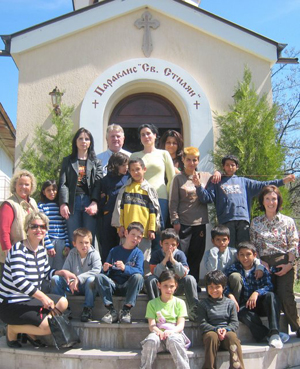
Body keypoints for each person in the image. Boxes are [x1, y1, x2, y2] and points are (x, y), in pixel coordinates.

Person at [0, 211, 75, 348]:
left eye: (42, 226)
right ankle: (13, 329)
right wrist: (43, 298)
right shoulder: (19, 250)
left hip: (29, 299)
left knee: (63, 302)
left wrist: (61, 272)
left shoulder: (41, 250)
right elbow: (19, 281)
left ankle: (29, 331)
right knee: (48, 327)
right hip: (11, 303)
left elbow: (46, 272)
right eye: (34, 226)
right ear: (26, 229)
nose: (38, 230)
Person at [196, 154, 295, 247]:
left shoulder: (244, 182)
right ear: (223, 167)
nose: (230, 167)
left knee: (244, 248)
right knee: (229, 250)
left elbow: (264, 185)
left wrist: (283, 181)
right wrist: (198, 186)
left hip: (243, 221)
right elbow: (206, 198)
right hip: (226, 221)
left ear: (237, 167)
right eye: (227, 165)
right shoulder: (216, 181)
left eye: (232, 165)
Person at [250, 185, 300, 337]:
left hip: (285, 261)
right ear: (262, 201)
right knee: (270, 296)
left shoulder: (288, 221)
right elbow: (253, 246)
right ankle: (274, 331)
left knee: (285, 295)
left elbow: (294, 244)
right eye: (268, 199)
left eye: (274, 199)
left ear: (278, 201)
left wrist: (289, 265)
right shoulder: (256, 222)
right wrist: (260, 263)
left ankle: (297, 327)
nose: (271, 202)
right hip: (264, 263)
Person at [225, 242, 290, 349]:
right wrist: (230, 295)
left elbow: (269, 286)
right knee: (241, 312)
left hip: (260, 303)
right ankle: (266, 335)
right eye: (241, 255)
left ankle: (274, 332)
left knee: (271, 296)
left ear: (254, 255)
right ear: (238, 256)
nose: (245, 258)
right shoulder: (234, 268)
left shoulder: (261, 268)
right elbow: (224, 284)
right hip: (245, 305)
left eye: (248, 254)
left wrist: (257, 293)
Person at [169, 147, 215, 284]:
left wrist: (200, 184)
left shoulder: (205, 177)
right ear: (183, 160)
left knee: (196, 256)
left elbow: (208, 199)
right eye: (188, 159)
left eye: (194, 160)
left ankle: (192, 283)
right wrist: (175, 220)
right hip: (183, 223)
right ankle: (180, 283)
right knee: (182, 255)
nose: (191, 162)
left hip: (199, 223)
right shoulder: (178, 179)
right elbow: (173, 202)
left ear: (198, 161)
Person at [111, 158, 160, 271]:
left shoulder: (149, 189)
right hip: (127, 232)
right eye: (132, 170)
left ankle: (143, 283)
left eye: (138, 169)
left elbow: (153, 211)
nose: (135, 172)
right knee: (126, 256)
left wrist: (152, 229)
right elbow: (120, 209)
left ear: (144, 169)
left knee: (144, 258)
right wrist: (120, 226)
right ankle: (126, 281)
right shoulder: (126, 188)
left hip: (144, 232)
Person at [59, 127, 102, 245]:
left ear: (90, 142)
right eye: (80, 138)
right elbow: (63, 183)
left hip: (89, 202)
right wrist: (64, 203)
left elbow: (98, 184)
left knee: (89, 240)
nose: (84, 141)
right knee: (74, 239)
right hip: (73, 202)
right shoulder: (68, 161)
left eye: (87, 139)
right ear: (75, 141)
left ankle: (88, 264)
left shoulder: (96, 162)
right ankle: (75, 264)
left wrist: (94, 202)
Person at [95, 222, 144, 324]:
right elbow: (106, 274)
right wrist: (105, 270)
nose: (135, 238)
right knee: (99, 277)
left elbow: (140, 271)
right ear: (126, 233)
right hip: (114, 284)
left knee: (138, 277)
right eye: (133, 234)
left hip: (127, 286)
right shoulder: (114, 251)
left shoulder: (138, 253)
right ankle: (111, 311)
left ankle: (126, 310)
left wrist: (125, 268)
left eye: (138, 237)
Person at [145, 228, 198, 321]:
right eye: (166, 244)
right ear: (161, 243)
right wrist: (165, 260)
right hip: (161, 287)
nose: (170, 247)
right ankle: (155, 310)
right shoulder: (156, 254)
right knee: (150, 279)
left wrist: (173, 261)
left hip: (176, 287)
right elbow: (155, 273)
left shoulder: (180, 254)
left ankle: (194, 309)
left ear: (177, 245)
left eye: (173, 244)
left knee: (190, 278)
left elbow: (183, 273)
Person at [130, 124, 175, 233]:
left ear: (155, 135)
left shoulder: (164, 154)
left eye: (148, 133)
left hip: (160, 197)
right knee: (140, 231)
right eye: (143, 135)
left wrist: (169, 197)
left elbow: (172, 178)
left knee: (158, 231)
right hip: (139, 197)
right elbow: (131, 179)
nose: (146, 136)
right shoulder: (134, 156)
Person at [140, 270, 190, 369]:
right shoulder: (152, 303)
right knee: (151, 340)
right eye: (165, 286)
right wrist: (159, 332)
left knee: (174, 339)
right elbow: (152, 325)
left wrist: (170, 332)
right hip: (159, 335)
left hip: (174, 334)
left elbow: (180, 325)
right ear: (159, 285)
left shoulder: (180, 303)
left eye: (171, 286)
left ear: (176, 286)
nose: (168, 289)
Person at [51, 227, 102, 322]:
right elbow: (66, 270)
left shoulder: (95, 254)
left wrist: (78, 279)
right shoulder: (72, 253)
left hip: (88, 286)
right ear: (74, 244)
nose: (84, 245)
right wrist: (70, 281)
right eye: (81, 242)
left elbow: (97, 270)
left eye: (87, 242)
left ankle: (87, 309)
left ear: (90, 243)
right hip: (73, 286)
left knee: (91, 280)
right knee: (55, 279)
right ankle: (63, 309)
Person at [198, 270, 245, 369]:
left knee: (232, 337)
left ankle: (237, 367)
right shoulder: (203, 304)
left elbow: (234, 323)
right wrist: (215, 329)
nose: (214, 290)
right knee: (212, 337)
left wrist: (226, 329)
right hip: (211, 334)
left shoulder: (230, 303)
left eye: (217, 287)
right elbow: (202, 323)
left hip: (226, 333)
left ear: (223, 287)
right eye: (210, 287)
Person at [0, 170, 39, 275]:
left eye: (27, 184)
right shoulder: (9, 204)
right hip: (14, 257)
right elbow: (4, 231)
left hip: (31, 255)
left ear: (31, 187)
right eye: (20, 184)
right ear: (15, 186)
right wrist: (8, 253)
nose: (23, 187)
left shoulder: (33, 203)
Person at [98, 152, 130, 262]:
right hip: (109, 215)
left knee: (122, 244)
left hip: (124, 216)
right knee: (107, 246)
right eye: (123, 165)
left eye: (127, 165)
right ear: (115, 165)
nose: (126, 168)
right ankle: (106, 272)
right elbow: (101, 197)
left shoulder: (128, 178)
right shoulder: (105, 180)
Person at [38, 180, 70, 269]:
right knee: (47, 267)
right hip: (49, 240)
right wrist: (48, 245)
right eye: (48, 190)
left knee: (61, 267)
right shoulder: (41, 206)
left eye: (54, 190)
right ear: (44, 192)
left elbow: (65, 226)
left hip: (61, 241)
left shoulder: (60, 206)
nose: (52, 192)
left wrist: (67, 244)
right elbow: (42, 226)